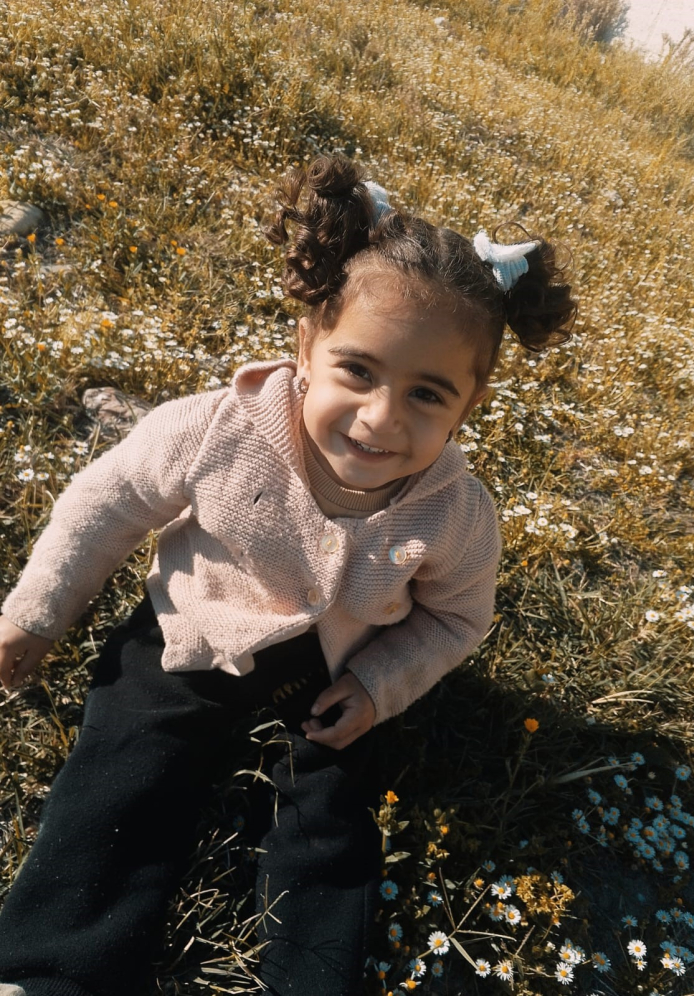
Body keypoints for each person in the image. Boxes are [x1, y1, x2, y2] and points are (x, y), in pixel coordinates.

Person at [0, 154, 576, 996]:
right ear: (307, 346)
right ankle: (54, 969)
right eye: (359, 371)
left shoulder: (457, 514)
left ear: (470, 403)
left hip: (335, 674)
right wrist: (37, 609)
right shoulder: (217, 429)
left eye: (427, 395)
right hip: (193, 627)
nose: (381, 418)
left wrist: (378, 685)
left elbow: (456, 619)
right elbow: (107, 501)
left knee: (330, 819)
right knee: (125, 765)